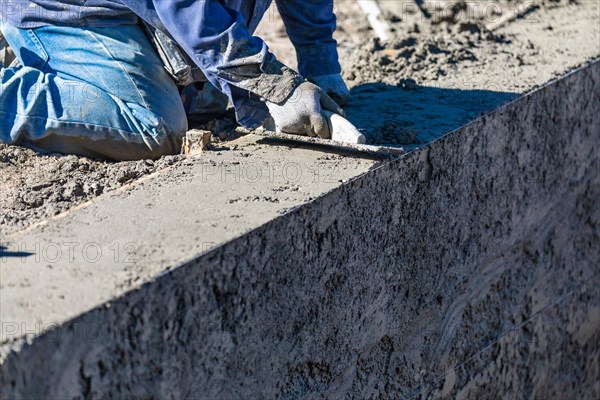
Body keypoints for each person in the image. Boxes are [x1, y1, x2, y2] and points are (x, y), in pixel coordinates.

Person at [0, 0, 350, 161]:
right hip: (71, 12)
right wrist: (272, 85)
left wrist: (320, 64)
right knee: (154, 128)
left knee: (210, 97)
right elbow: (185, 4)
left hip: (142, 12)